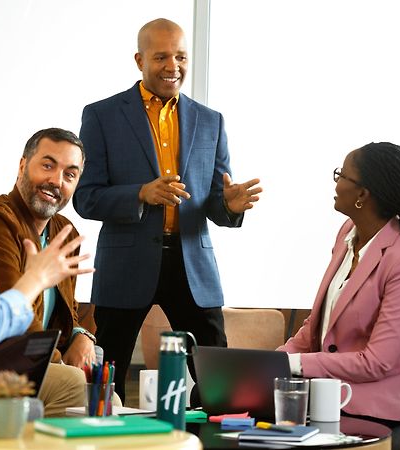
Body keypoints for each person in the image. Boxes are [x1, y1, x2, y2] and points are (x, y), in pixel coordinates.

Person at [73, 18, 262, 402]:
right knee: (106, 381)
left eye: (180, 56)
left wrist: (229, 206)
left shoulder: (211, 121)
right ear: (139, 59)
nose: (172, 66)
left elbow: (214, 200)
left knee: (221, 383)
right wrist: (141, 194)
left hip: (192, 263)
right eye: (161, 56)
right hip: (125, 266)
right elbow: (86, 197)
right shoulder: (101, 116)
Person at [278, 142, 400, 425]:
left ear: (362, 194)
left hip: (379, 407)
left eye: (341, 175)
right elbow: (318, 327)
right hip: (327, 397)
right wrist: (268, 363)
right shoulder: (347, 233)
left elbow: (377, 361)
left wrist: (295, 365)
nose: (336, 182)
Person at [0, 124, 94, 418]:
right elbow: (5, 322)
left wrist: (81, 334)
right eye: (48, 166)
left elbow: (68, 309)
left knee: (107, 397)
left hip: (38, 358)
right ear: (23, 165)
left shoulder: (64, 230)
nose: (56, 180)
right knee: (74, 383)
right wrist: (57, 362)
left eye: (70, 174)